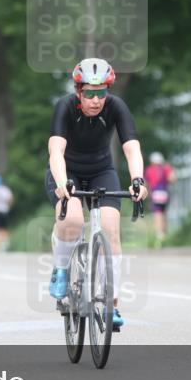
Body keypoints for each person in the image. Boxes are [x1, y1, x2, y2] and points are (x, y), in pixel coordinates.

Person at [47, 58, 148, 332]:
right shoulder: (65, 107)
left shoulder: (116, 107)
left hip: (102, 171)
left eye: (101, 92)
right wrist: (61, 182)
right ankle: (61, 269)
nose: (96, 99)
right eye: (89, 93)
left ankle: (111, 304)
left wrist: (138, 180)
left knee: (111, 230)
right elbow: (56, 152)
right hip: (67, 173)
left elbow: (131, 148)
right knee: (73, 221)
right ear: (78, 91)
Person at [144, 152, 176, 245]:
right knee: (164, 214)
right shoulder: (166, 168)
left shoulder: (149, 170)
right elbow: (172, 179)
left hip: (155, 194)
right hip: (165, 194)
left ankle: (159, 235)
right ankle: (165, 235)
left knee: (157, 214)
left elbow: (146, 184)